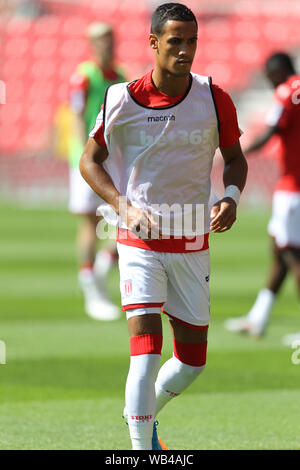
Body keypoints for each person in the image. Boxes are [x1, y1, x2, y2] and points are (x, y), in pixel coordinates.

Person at [80, 3, 247, 450]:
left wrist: (230, 196)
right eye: (176, 41)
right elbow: (89, 161)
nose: (186, 50)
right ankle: (140, 449)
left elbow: (235, 160)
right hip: (140, 239)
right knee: (146, 351)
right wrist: (122, 205)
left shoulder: (214, 97)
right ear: (154, 43)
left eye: (192, 41)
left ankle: (144, 412)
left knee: (192, 362)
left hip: (193, 241)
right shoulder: (120, 97)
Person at [225, 52, 300, 345]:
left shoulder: (286, 91)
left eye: (269, 77)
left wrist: (237, 153)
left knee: (293, 255)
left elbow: (270, 130)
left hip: (293, 189)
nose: (269, 83)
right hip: (294, 188)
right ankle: (259, 318)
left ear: (277, 71)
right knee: (279, 253)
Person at [68, 22, 125, 321]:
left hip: (113, 159)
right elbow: (77, 116)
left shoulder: (121, 77)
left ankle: (100, 273)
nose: (107, 45)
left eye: (110, 38)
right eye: (101, 40)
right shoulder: (84, 76)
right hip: (89, 158)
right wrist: (84, 156)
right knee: (90, 224)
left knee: (124, 217)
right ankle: (92, 290)